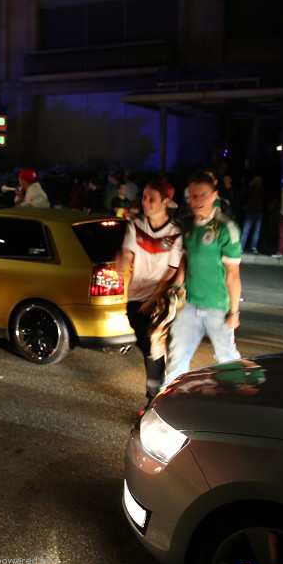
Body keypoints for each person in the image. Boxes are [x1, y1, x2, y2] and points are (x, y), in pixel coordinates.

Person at [166, 172, 242, 384]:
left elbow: (233, 275)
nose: (197, 201)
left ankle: (238, 401)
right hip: (189, 305)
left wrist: (234, 312)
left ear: (214, 195)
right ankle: (169, 410)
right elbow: (185, 260)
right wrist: (175, 288)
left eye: (202, 195)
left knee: (227, 359)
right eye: (193, 196)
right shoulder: (187, 224)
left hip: (217, 307)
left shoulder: (227, 228)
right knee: (177, 358)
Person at [117, 177, 183, 405]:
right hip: (135, 296)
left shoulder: (175, 232)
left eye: (152, 199)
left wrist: (153, 298)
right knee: (146, 344)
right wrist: (121, 278)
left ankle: (154, 401)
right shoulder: (136, 226)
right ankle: (161, 390)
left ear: (166, 201)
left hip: (159, 298)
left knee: (153, 343)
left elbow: (170, 272)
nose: (146, 202)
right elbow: (127, 257)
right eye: (144, 197)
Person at [239, 174, 264, 253]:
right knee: (245, 230)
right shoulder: (250, 188)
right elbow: (243, 193)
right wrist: (250, 184)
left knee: (256, 231)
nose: (257, 180)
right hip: (250, 211)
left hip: (259, 212)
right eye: (256, 179)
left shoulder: (263, 189)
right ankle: (241, 247)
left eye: (258, 179)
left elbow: (265, 201)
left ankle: (253, 247)